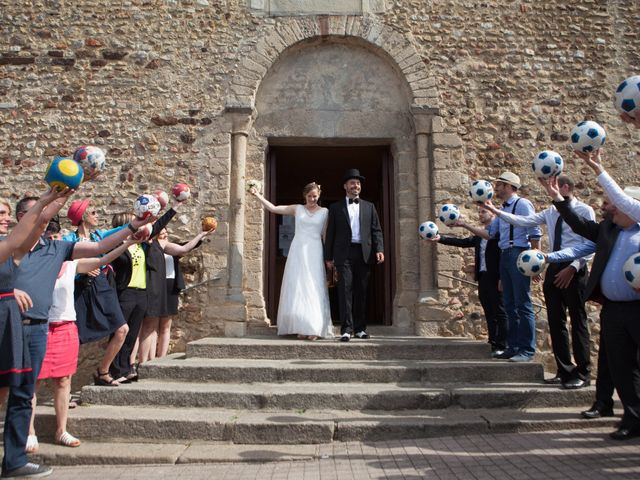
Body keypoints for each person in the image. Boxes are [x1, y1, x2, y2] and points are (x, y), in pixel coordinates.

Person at [2, 195, 151, 479]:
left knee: (22, 394)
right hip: (11, 324)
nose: (45, 219)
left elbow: (100, 247)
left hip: (38, 327)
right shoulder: (12, 248)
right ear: (25, 217)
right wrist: (8, 293)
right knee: (8, 392)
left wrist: (134, 225)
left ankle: (14, 461)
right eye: (38, 215)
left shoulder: (57, 248)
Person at [26, 219, 141, 452]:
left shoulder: (70, 266)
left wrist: (128, 241)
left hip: (66, 327)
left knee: (64, 381)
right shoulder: (36, 265)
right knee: (32, 382)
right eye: (51, 239)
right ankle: (29, 432)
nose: (55, 243)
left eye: (58, 239)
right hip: (41, 327)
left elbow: (101, 259)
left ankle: (61, 430)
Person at [543, 176, 640, 440]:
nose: (609, 209)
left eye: (614, 205)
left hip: (636, 309)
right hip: (613, 308)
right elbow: (579, 228)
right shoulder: (608, 230)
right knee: (620, 365)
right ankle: (632, 419)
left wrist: (595, 167)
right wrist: (558, 201)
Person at [483, 176, 595, 388]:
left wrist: (573, 268)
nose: (550, 190)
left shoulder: (584, 210)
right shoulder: (551, 212)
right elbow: (524, 222)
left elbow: (589, 244)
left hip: (574, 268)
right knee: (556, 320)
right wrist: (495, 211)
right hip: (553, 265)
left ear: (566, 187)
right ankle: (564, 371)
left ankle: (583, 373)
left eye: (554, 186)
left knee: (578, 320)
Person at [109, 198, 183, 384]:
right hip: (124, 292)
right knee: (120, 332)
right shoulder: (117, 245)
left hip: (140, 293)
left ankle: (126, 369)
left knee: (132, 333)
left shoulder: (141, 243)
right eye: (134, 221)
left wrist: (174, 207)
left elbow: (156, 227)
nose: (138, 224)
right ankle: (113, 370)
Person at [250, 182, 333, 340]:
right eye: (309, 196)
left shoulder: (324, 212)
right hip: (298, 251)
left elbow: (325, 235)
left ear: (319, 196)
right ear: (305, 196)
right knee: (299, 286)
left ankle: (314, 327)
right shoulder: (297, 209)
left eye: (315, 196)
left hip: (314, 250)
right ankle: (301, 326)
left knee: (313, 285)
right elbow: (274, 208)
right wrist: (257, 195)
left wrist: (328, 257)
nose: (312, 199)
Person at [475, 171, 542, 362]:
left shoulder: (522, 204)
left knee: (523, 303)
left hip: (519, 253)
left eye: (500, 184)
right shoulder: (502, 209)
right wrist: (463, 225)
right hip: (505, 255)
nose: (496, 188)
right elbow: (490, 235)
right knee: (509, 304)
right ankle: (512, 346)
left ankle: (527, 350)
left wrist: (535, 261)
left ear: (509, 186)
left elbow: (534, 229)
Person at [63, 198, 130, 387]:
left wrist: (148, 217)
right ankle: (64, 386)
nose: (97, 215)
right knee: (73, 340)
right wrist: (79, 268)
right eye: (93, 213)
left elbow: (123, 229)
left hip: (100, 285)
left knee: (122, 329)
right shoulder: (68, 240)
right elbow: (60, 263)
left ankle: (103, 371)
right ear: (83, 216)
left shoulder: (99, 236)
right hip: (78, 290)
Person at [427, 207, 507, 357]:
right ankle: (493, 342)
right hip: (483, 277)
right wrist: (441, 238)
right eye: (479, 212)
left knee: (500, 311)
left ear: (492, 212)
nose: (480, 214)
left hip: (496, 276)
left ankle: (503, 345)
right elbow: (463, 242)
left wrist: (502, 277)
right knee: (489, 311)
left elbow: (503, 255)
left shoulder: (498, 232)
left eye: (483, 211)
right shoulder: (479, 235)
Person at [324, 169, 384, 342]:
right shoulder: (335, 208)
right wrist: (328, 257)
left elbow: (376, 230)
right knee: (344, 291)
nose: (355, 185)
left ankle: (360, 329)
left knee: (361, 292)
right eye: (352, 183)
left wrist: (379, 249)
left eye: (358, 183)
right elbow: (330, 234)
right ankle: (346, 329)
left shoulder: (369, 206)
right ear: (345, 186)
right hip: (344, 254)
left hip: (364, 253)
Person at [139, 227, 212, 362]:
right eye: (162, 234)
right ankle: (150, 358)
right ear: (155, 236)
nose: (165, 236)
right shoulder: (152, 249)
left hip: (170, 286)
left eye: (166, 234)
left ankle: (161, 357)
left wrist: (201, 235)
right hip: (155, 285)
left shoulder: (170, 247)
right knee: (152, 325)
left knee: (166, 324)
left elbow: (186, 247)